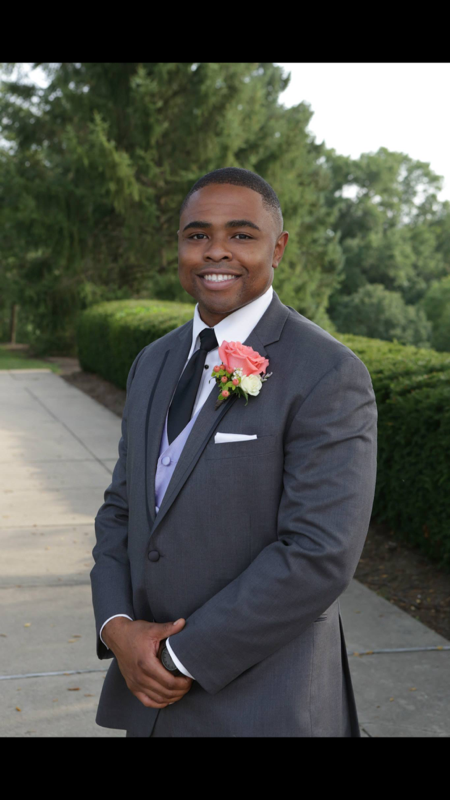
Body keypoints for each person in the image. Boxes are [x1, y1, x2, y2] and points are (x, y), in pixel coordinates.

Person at [91, 167, 378, 737]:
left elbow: (319, 552)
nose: (216, 250)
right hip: (147, 694)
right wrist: (117, 627)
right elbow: (122, 509)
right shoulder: (153, 362)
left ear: (279, 248)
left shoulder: (327, 373)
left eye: (241, 234)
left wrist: (178, 656)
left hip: (266, 702)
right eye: (197, 234)